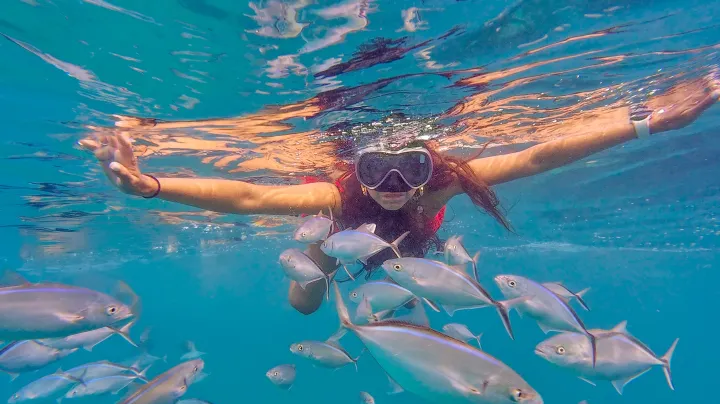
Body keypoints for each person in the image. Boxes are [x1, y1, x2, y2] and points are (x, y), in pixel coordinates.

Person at [81, 75, 720, 315]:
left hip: (419, 243)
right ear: (355, 169)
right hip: (337, 240)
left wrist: (645, 122)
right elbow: (246, 195)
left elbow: (534, 154)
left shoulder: (444, 179)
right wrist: (148, 185)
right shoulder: (333, 196)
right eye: (377, 171)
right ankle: (321, 274)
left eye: (410, 167)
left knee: (420, 278)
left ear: (430, 162)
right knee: (306, 304)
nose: (393, 186)